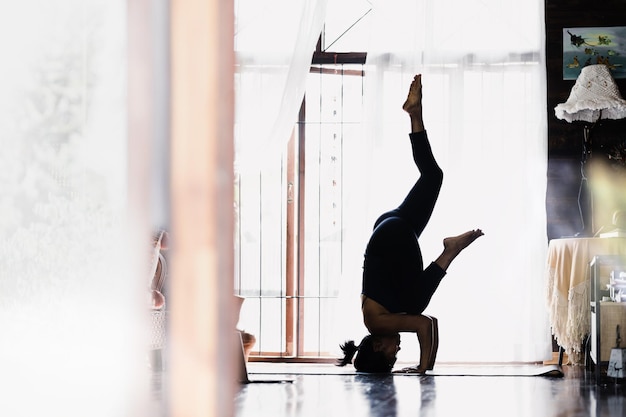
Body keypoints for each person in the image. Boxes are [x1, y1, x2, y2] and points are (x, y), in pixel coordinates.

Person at [337, 74, 484, 374]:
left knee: (415, 307)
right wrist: (425, 366)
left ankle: (449, 253)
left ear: (378, 345)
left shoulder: (377, 322)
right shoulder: (377, 318)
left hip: (393, 239)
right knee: (433, 177)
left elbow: (423, 325)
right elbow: (432, 324)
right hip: (390, 230)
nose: (397, 351)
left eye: (391, 356)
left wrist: (422, 369)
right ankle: (415, 114)